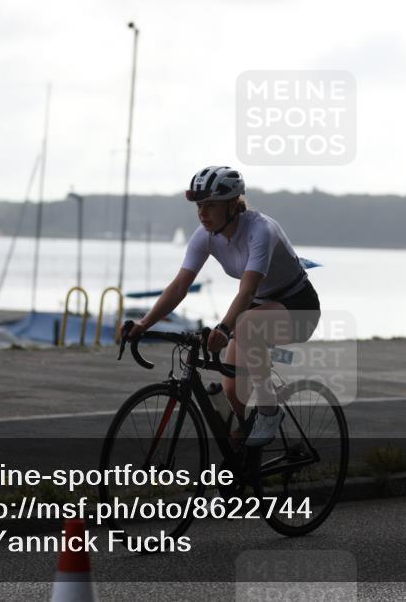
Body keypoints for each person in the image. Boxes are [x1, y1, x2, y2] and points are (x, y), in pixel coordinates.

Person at [123, 166, 321, 446]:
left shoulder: (260, 230)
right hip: (257, 309)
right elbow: (179, 287)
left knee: (247, 325)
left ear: (232, 204)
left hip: (299, 307)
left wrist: (224, 328)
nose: (202, 213)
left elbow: (247, 291)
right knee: (232, 396)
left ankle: (269, 412)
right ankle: (243, 463)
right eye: (199, 206)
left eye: (210, 205)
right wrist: (144, 324)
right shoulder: (204, 236)